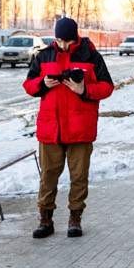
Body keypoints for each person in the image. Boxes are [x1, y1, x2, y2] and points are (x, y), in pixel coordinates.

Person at [24, 16, 114, 238]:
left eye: (67, 41)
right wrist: (42, 84)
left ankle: (75, 218)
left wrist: (84, 90)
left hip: (80, 128)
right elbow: (28, 84)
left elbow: (107, 87)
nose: (62, 45)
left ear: (75, 37)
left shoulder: (91, 56)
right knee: (48, 176)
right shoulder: (44, 55)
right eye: (59, 40)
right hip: (51, 128)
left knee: (79, 176)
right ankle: (45, 220)